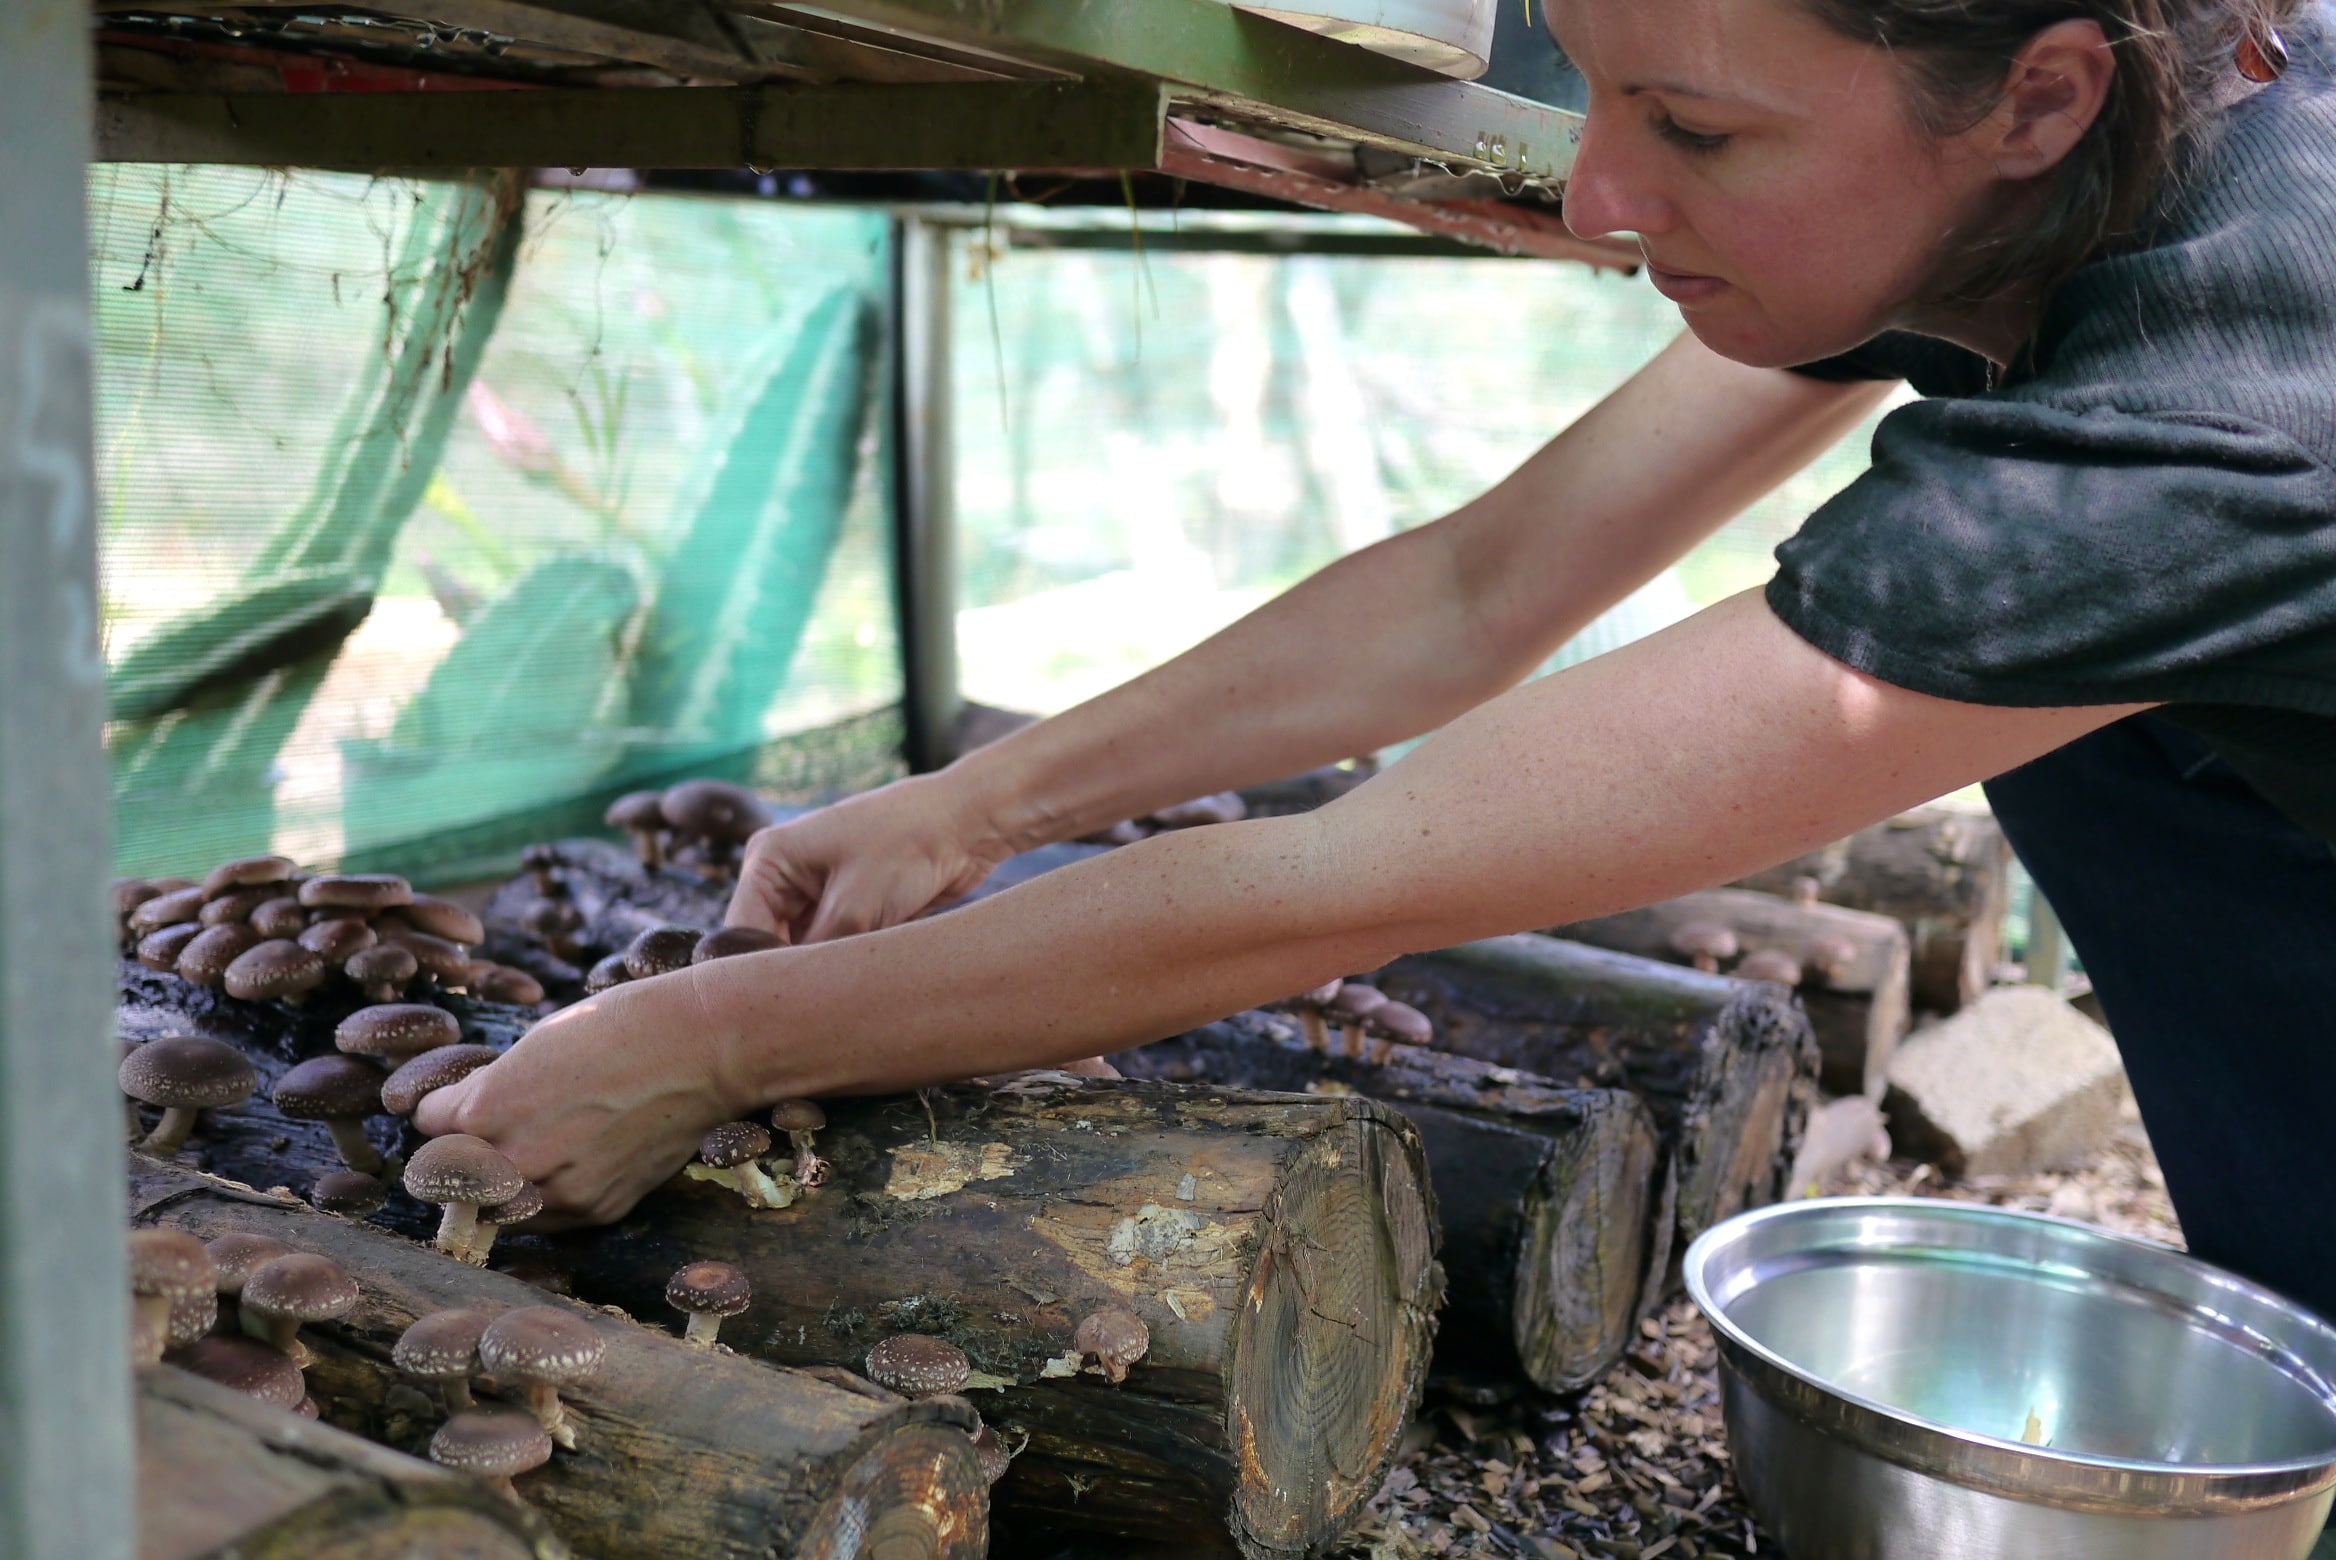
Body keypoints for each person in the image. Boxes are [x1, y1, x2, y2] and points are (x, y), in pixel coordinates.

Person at [420, 0, 2336, 1318]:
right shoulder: (2123, 121)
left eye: (1694, 129)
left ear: (2038, 97)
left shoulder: (2216, 425)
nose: (1595, 196)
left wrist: (706, 1044)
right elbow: (1484, 587)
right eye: (1590, 80)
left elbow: (1350, 882)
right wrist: (976, 801)